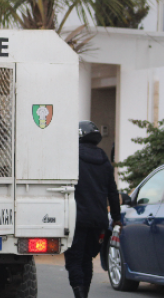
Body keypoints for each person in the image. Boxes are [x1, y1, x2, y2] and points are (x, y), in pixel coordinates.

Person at [64, 121, 122, 298]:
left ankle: (79, 294)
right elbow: (113, 191)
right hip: (98, 219)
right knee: (87, 258)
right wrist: (116, 217)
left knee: (74, 259)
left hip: (77, 218)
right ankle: (84, 295)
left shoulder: (72, 157)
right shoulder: (104, 159)